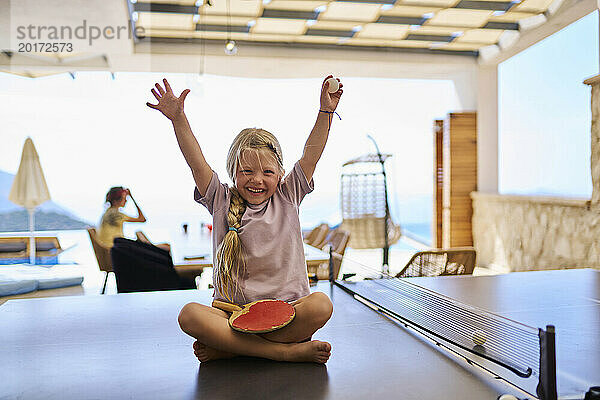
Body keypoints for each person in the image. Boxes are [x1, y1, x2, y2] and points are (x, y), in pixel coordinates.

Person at [146, 75, 343, 364]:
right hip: (233, 314)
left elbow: (311, 153)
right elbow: (195, 160)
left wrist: (325, 112)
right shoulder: (220, 199)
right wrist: (178, 119)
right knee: (189, 314)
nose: (257, 180)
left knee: (321, 305)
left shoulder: (288, 195)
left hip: (287, 311)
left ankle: (231, 348)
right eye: (246, 171)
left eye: (267, 172)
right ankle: (282, 352)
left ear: (280, 174)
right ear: (232, 171)